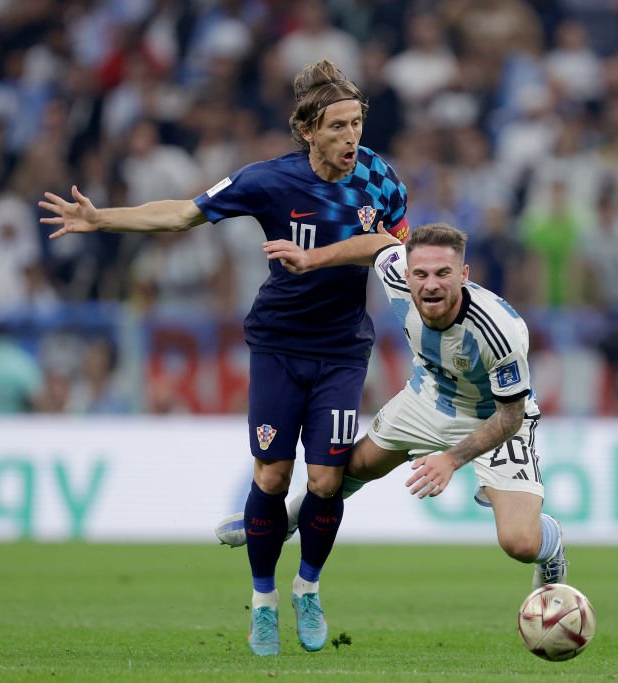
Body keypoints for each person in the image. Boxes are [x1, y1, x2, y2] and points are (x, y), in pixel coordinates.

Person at [38, 60, 409, 656]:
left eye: (357, 124)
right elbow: (184, 213)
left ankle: (307, 588)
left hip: (343, 349)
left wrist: (321, 258)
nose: (351, 138)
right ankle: (263, 602)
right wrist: (102, 218)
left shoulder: (382, 181)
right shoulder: (266, 181)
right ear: (308, 130)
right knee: (272, 474)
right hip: (279, 344)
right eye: (338, 126)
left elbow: (396, 250)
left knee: (326, 479)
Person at [215, 223, 569, 592]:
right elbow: (378, 245)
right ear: (407, 274)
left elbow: (510, 417)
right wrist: (310, 258)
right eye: (421, 274)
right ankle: (282, 519)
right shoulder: (396, 275)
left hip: (493, 417)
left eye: (443, 274)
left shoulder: (501, 331)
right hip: (429, 398)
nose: (430, 284)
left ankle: (552, 541)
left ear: (463, 275)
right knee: (346, 469)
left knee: (520, 543)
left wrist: (450, 459)